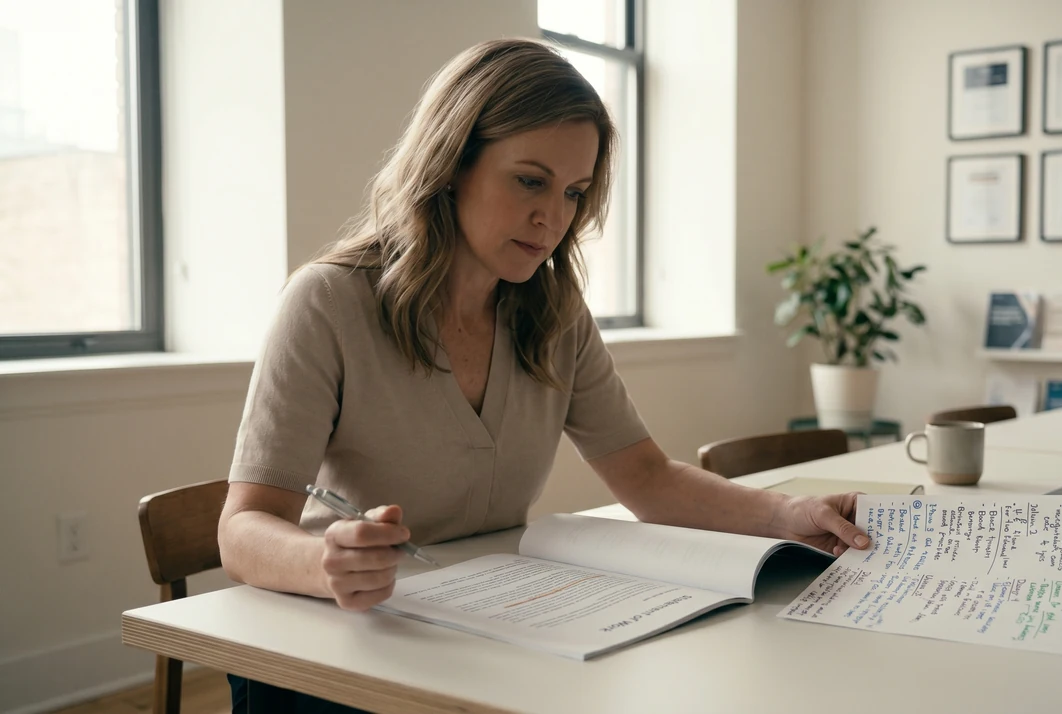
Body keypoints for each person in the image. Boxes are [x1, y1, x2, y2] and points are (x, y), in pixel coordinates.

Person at [216, 37, 870, 713]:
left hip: (484, 632)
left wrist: (786, 514)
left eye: (574, 193)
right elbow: (243, 530)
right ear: (451, 163)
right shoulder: (328, 301)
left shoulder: (555, 313)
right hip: (332, 643)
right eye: (530, 181)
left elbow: (646, 478)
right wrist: (325, 565)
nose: (553, 218)